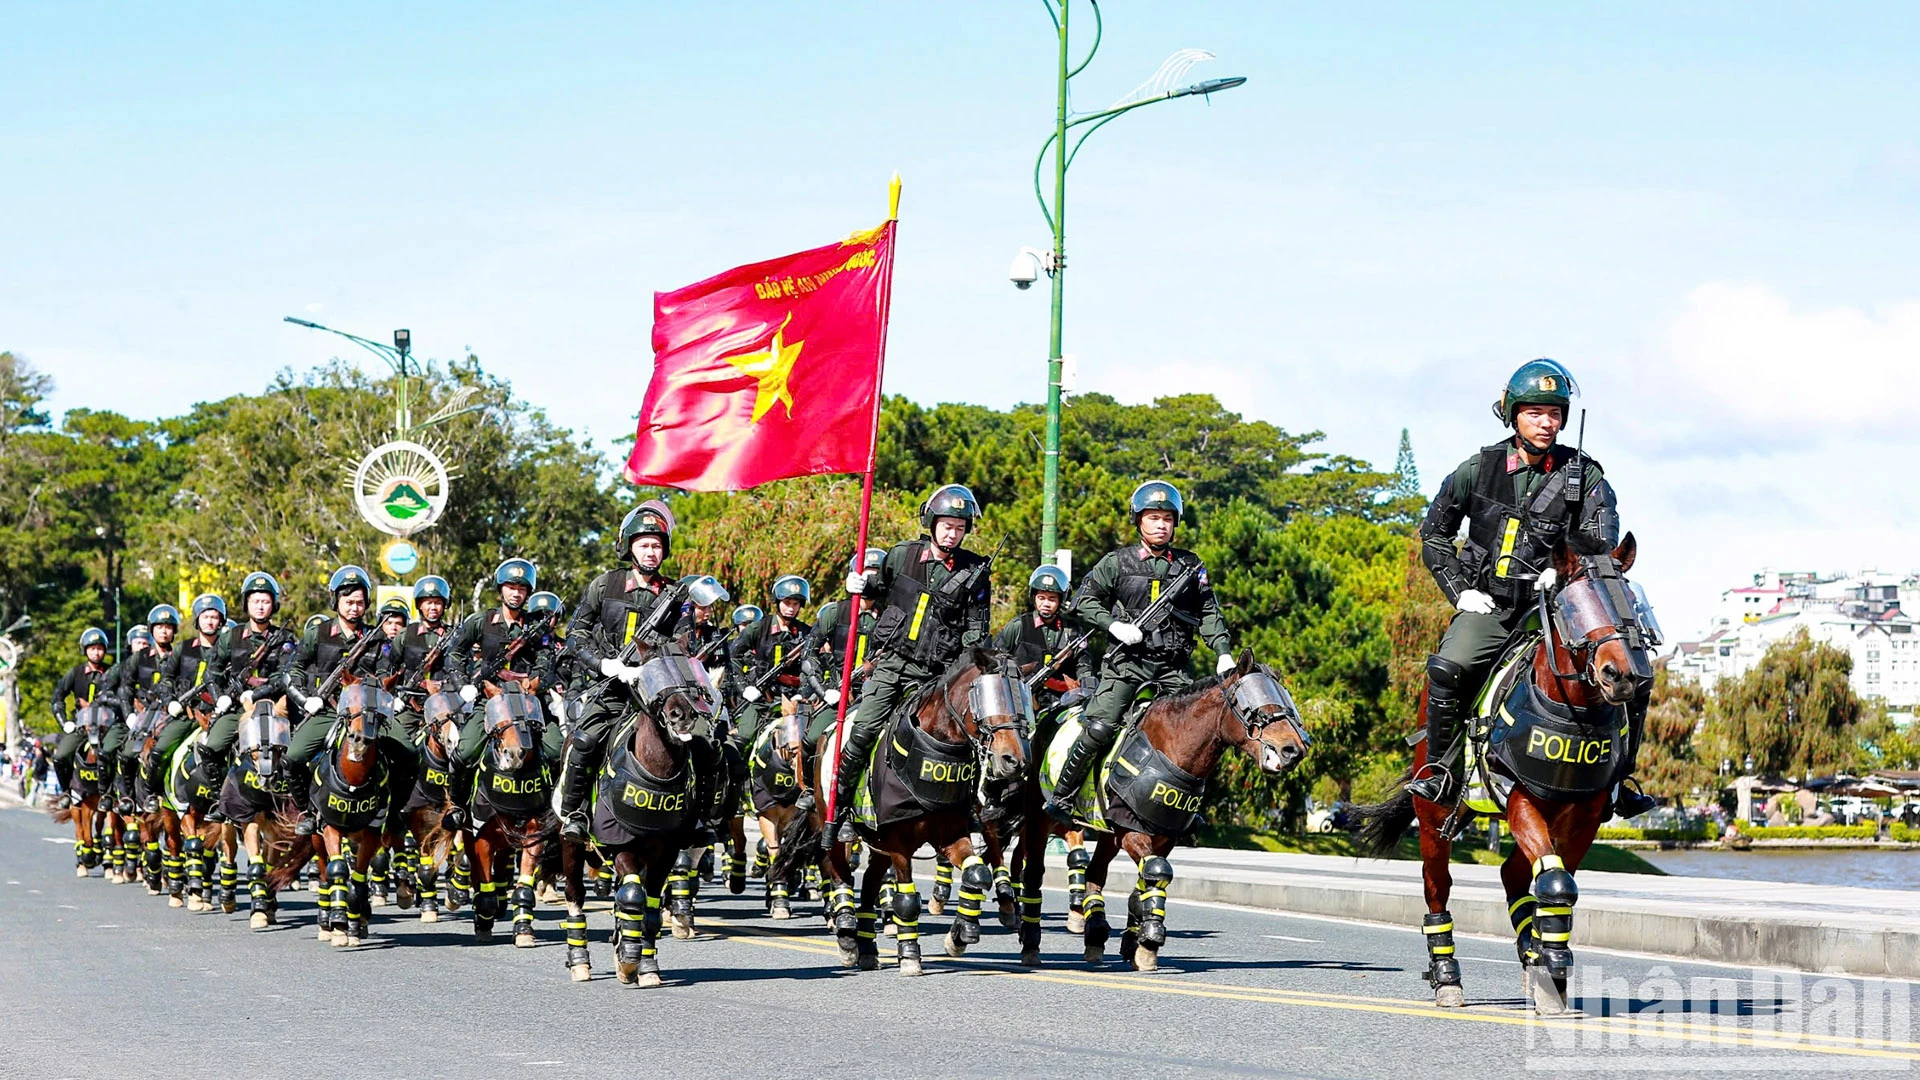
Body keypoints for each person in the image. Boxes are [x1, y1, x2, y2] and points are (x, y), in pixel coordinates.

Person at [1406, 358, 1655, 818]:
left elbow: (1603, 540)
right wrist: (1460, 590)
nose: (1547, 423)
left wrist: (1564, 571)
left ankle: (1621, 781)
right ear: (1513, 414)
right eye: (1536, 412)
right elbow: (1434, 534)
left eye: (1555, 413)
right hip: (1492, 606)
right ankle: (1440, 772)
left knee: (1633, 671)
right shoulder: (1475, 470)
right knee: (1449, 666)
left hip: (1560, 609)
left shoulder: (1586, 476)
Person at [1044, 481, 1233, 824]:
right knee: (1100, 728)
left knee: (1198, 733)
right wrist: (1112, 625)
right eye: (1153, 517)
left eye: (1167, 518)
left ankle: (1189, 809)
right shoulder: (1117, 562)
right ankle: (1063, 796)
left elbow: (1209, 613)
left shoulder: (1191, 567)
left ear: (1176, 523)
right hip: (1126, 666)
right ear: (1139, 521)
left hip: (1172, 669)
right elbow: (1083, 601)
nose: (1161, 524)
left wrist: (1222, 651)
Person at [828, 484, 993, 843]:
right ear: (932, 523)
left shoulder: (976, 571)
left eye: (960, 527)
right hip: (892, 665)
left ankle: (968, 810)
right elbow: (876, 588)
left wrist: (967, 666)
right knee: (863, 731)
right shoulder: (902, 555)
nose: (953, 533)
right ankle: (840, 809)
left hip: (935, 677)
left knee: (968, 737)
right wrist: (858, 584)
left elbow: (976, 630)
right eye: (947, 525)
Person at [557, 501, 679, 842]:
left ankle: (700, 820)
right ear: (628, 546)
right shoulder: (604, 585)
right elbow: (576, 634)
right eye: (644, 544)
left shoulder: (673, 595)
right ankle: (575, 815)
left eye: (657, 545)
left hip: (655, 693)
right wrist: (603, 664)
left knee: (700, 744)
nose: (651, 552)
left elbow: (686, 644)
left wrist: (655, 667)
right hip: (610, 688)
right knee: (584, 742)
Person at [284, 566, 406, 837]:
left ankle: (395, 814)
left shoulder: (377, 640)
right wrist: (306, 700)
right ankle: (308, 812)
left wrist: (390, 697)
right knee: (292, 758)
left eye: (359, 603)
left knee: (408, 754)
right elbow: (293, 671)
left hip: (369, 714)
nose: (354, 608)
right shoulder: (318, 633)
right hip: (327, 711)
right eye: (348, 602)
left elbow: (388, 671)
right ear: (335, 601)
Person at [446, 559, 565, 825]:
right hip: (490, 699)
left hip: (529, 702)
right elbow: (454, 653)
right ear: (500, 589)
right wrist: (462, 683)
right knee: (465, 753)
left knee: (557, 750)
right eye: (511, 587)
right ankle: (458, 806)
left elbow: (547, 660)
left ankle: (557, 810)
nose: (516, 593)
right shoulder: (481, 621)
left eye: (522, 588)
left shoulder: (538, 624)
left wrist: (535, 683)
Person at [203, 573, 298, 784]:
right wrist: (220, 697)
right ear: (247, 603)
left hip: (276, 706)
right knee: (212, 747)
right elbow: (212, 671)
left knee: (300, 751)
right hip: (237, 706)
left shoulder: (285, 638)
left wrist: (255, 694)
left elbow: (284, 675)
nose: (260, 607)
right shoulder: (231, 636)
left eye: (265, 601)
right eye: (255, 601)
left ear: (274, 605)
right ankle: (220, 797)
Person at [142, 595, 228, 811]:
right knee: (159, 752)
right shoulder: (183, 648)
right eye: (205, 616)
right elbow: (166, 679)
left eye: (214, 617)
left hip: (217, 716)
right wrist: (170, 701)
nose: (210, 621)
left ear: (221, 621)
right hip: (185, 714)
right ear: (197, 620)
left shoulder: (228, 649)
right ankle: (152, 795)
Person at [801, 548, 882, 745]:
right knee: (812, 740)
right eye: (865, 574)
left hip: (878, 694)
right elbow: (808, 655)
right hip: (839, 694)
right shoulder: (834, 613)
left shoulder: (891, 615)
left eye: (875, 575)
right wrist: (824, 691)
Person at [994, 564, 1095, 716]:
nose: (1046, 604)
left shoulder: (1072, 631)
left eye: (1052, 599)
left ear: (1061, 600)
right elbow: (997, 658)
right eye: (1041, 598)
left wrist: (1087, 683)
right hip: (1021, 701)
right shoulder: (1018, 626)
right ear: (1034, 598)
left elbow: (1083, 663)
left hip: (1063, 702)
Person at [729, 575, 812, 747]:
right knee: (741, 740)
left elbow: (814, 664)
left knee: (808, 743)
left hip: (794, 701)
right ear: (777, 601)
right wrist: (744, 688)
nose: (791, 608)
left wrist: (803, 692)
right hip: (761, 698)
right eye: (787, 602)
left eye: (796, 604)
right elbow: (733, 655)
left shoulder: (806, 633)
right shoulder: (759, 627)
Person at [378, 575, 454, 742]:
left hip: (444, 704)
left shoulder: (453, 636)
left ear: (445, 605)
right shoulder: (406, 635)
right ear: (419, 604)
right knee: (388, 740)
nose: (433, 607)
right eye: (428, 602)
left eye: (437, 602)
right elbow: (387, 666)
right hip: (409, 705)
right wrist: (390, 698)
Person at [49, 628, 115, 809]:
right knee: (60, 756)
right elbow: (57, 699)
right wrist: (64, 723)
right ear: (85, 650)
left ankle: (118, 793)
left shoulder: (113, 671)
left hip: (106, 727)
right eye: (92, 648)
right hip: (81, 726)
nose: (96, 652)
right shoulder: (75, 673)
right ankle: (66, 792)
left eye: (100, 648)